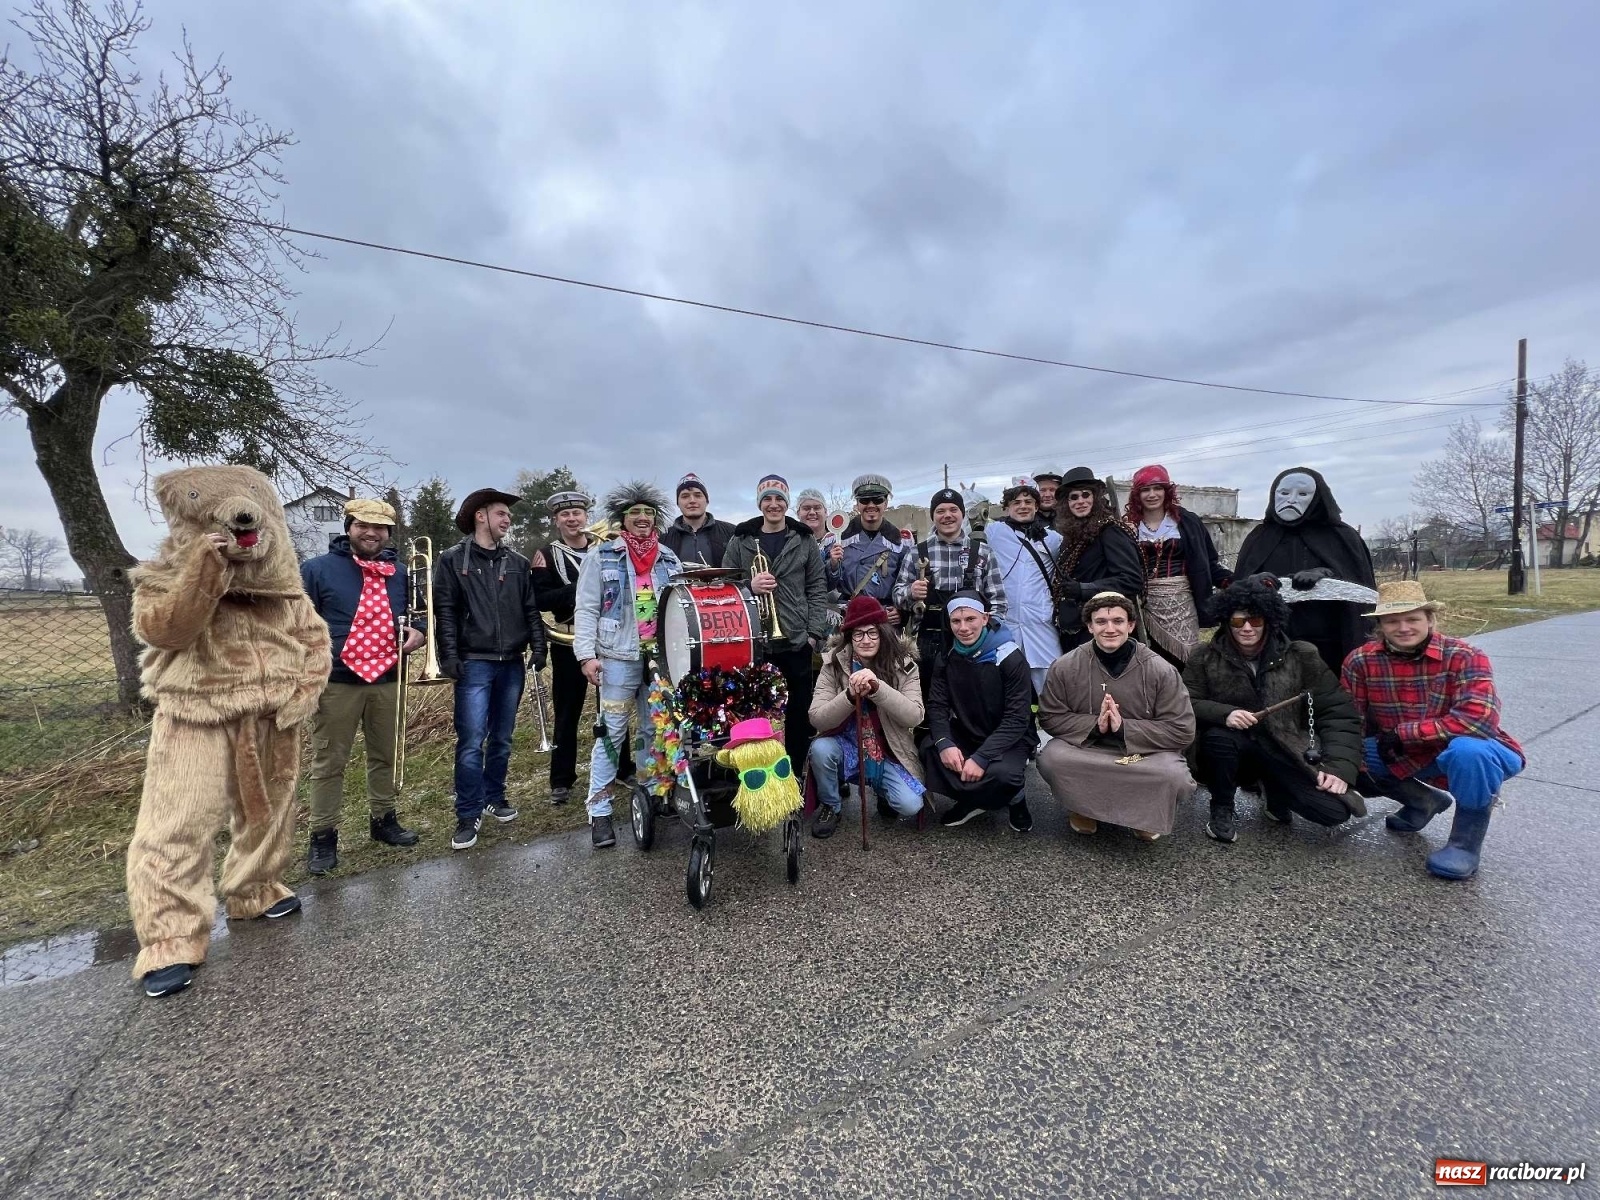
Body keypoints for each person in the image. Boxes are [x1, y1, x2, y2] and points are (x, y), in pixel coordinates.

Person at [127, 466, 329, 998]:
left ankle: (254, 890)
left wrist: (303, 693)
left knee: (269, 812)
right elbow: (165, 629)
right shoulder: (163, 573)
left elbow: (314, 638)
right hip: (198, 710)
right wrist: (203, 572)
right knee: (178, 820)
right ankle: (170, 938)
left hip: (273, 713)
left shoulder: (285, 588)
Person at [1342, 580, 1525, 880]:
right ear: (1380, 625)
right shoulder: (1360, 661)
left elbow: (1477, 721)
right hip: (1405, 752)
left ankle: (1465, 844)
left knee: (1470, 752)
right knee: (1350, 756)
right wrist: (1349, 757)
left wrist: (1404, 733)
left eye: (1412, 619)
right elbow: (1351, 719)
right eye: (1393, 621)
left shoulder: (1466, 655)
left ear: (1429, 619)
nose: (1403, 627)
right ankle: (1422, 802)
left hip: (1466, 748)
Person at [1183, 574, 1363, 843]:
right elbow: (1185, 700)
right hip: (1229, 749)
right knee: (1218, 740)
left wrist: (1339, 768)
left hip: (1284, 748)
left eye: (1255, 619)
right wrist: (1224, 713)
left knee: (1333, 812)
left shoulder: (1302, 655)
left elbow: (1337, 712)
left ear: (1269, 619)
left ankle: (1274, 789)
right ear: (1226, 621)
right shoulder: (1203, 656)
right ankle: (1222, 807)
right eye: (1237, 620)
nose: (1247, 628)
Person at [299, 497, 424, 874]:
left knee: (384, 754)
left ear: (389, 532)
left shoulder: (401, 571)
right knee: (329, 761)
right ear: (349, 527)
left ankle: (383, 820)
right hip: (337, 681)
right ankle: (322, 836)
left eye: (380, 528)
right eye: (363, 526)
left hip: (387, 678)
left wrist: (419, 633)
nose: (372, 533)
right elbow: (298, 624)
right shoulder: (316, 570)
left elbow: (418, 616)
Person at [434, 486, 547, 852]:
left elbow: (530, 609)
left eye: (508, 515)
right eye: (501, 513)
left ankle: (494, 797)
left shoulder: (516, 562)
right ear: (481, 516)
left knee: (502, 738)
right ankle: (467, 813)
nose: (507, 519)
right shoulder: (452, 559)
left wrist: (540, 645)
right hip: (474, 662)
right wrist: (448, 655)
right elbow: (445, 612)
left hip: (511, 662)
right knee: (470, 742)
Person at [573, 481, 682, 849]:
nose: (641, 519)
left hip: (658, 659)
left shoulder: (668, 558)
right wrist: (586, 655)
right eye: (634, 513)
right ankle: (600, 811)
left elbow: (679, 609)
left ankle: (650, 795)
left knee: (654, 730)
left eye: (648, 513)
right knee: (610, 734)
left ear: (656, 520)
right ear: (623, 519)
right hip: (617, 658)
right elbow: (586, 608)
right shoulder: (601, 556)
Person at [1036, 592, 1196, 840]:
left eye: (1118, 621)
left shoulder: (1161, 670)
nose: (1110, 629)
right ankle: (1083, 809)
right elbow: (1050, 717)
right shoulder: (1065, 666)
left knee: (1174, 775)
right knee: (1051, 758)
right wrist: (1095, 726)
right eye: (1101, 622)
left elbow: (1182, 729)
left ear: (1131, 625)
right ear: (1089, 626)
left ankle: (1145, 815)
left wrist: (1124, 728)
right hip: (1087, 749)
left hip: (1142, 753)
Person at [723, 474, 831, 771]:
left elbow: (817, 587)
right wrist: (750, 585)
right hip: (756, 640)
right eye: (767, 499)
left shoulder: (804, 538)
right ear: (760, 503)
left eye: (779, 499)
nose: (773, 504)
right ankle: (761, 773)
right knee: (755, 712)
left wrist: (813, 632)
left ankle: (796, 771)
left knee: (798, 713)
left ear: (786, 503)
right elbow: (725, 585)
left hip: (796, 639)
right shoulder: (741, 538)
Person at [532, 490, 632, 806]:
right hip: (568, 640)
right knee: (567, 711)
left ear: (586, 517)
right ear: (556, 520)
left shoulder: (607, 549)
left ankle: (622, 767)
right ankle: (561, 779)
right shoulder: (546, 555)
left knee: (615, 709)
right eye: (565, 515)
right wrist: (581, 589)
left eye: (577, 513)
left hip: (608, 640)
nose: (572, 519)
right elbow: (541, 599)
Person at [1233, 465, 1378, 676]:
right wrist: (1253, 583)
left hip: (1329, 642)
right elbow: (1239, 588)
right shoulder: (1259, 536)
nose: (1291, 500)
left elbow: (1359, 590)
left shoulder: (1342, 537)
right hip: (1269, 639)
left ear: (1317, 498)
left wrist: (1326, 574)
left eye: (1302, 494)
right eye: (1283, 493)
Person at [807, 596, 926, 838]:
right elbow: (817, 718)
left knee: (910, 805)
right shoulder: (833, 664)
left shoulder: (905, 665)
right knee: (820, 749)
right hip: (846, 745)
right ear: (849, 636)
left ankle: (883, 792)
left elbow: (915, 716)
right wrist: (850, 696)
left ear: (883, 632)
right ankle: (831, 804)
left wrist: (879, 689)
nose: (866, 640)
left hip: (887, 748)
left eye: (872, 633)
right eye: (858, 634)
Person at [922, 591, 1035, 832]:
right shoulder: (947, 655)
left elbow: (1017, 719)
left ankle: (1015, 799)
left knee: (1005, 776)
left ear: (985, 618)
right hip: (968, 730)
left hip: (1008, 739)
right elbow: (937, 705)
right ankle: (972, 800)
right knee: (928, 749)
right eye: (956, 621)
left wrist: (982, 757)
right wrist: (945, 743)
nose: (963, 628)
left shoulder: (1010, 657)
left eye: (970, 619)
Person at [893, 487, 1008, 705]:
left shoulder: (982, 552)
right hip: (926, 643)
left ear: (962, 514)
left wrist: (986, 638)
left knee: (970, 702)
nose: (947, 515)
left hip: (971, 642)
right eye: (940, 511)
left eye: (953, 509)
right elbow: (897, 596)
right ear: (933, 516)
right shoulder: (917, 553)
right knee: (928, 701)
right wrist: (911, 592)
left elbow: (998, 602)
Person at [1125, 463, 1230, 666]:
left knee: (1186, 661)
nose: (1152, 494)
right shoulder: (1128, 526)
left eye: (1157, 488)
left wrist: (1230, 580)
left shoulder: (1188, 522)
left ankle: (1186, 697)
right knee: (1150, 661)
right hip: (1144, 605)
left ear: (1167, 491)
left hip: (1182, 602)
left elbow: (1209, 562)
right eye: (1145, 490)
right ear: (1137, 495)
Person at [983, 476, 1063, 696]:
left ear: (1037, 507)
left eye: (1028, 502)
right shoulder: (995, 532)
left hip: (1040, 621)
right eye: (1016, 502)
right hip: (1005, 623)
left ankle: (1051, 727)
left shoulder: (1053, 539)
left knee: (1050, 682)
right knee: (1005, 682)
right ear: (1007, 507)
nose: (1023, 506)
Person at [1050, 467, 1144, 653]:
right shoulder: (1071, 537)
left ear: (1095, 498)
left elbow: (1131, 580)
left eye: (1086, 495)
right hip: (1076, 627)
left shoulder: (1110, 531)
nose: (1080, 501)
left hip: (1104, 628)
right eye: (1073, 497)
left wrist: (1084, 588)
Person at [826, 473, 909, 624]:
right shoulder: (837, 539)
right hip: (850, 617)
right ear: (857, 504)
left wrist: (901, 612)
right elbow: (825, 586)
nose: (871, 505)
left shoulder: (901, 543)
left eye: (877, 500)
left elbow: (906, 583)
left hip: (885, 619)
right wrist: (832, 564)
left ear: (886, 503)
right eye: (864, 500)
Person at [661, 471, 735, 567]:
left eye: (698, 495)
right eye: (685, 496)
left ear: (707, 501)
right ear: (678, 503)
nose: (692, 500)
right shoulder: (663, 538)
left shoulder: (732, 533)